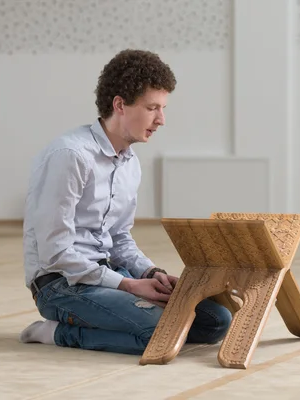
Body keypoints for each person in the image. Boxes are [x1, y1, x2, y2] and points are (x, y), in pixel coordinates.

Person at [19, 49, 232, 355]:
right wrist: (128, 286)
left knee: (216, 321)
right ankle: (55, 332)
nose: (161, 120)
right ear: (119, 104)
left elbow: (119, 238)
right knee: (161, 331)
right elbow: (55, 254)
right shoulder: (69, 156)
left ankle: (119, 315)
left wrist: (148, 274)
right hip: (61, 285)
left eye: (163, 108)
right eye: (152, 108)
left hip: (110, 275)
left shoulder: (130, 163)